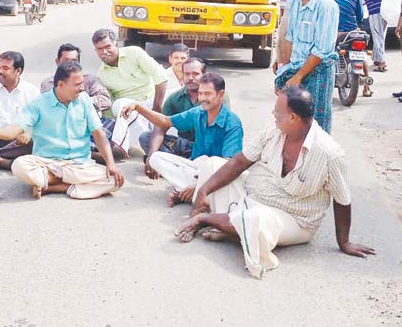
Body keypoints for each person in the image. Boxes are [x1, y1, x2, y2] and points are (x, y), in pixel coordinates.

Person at [174, 86, 375, 279]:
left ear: (293, 118)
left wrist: (344, 242)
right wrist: (204, 190)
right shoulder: (274, 131)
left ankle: (208, 220)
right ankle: (236, 230)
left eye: (278, 111)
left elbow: (342, 199)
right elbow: (239, 162)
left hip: (293, 219)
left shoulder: (329, 153)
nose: (273, 113)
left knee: (255, 220)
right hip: (252, 197)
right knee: (212, 165)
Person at [0, 61, 125, 200]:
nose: (82, 88)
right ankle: (61, 181)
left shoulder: (84, 100)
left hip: (79, 164)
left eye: (82, 83)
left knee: (115, 180)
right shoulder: (39, 104)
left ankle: (54, 185)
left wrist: (111, 164)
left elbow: (98, 134)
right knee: (19, 166)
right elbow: (16, 128)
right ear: (61, 84)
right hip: (47, 164)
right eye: (77, 84)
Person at [123, 72, 243, 207]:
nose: (202, 98)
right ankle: (192, 191)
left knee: (213, 169)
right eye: (200, 93)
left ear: (221, 95)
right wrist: (138, 108)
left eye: (207, 94)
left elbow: (229, 166)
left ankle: (191, 191)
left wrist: (201, 184)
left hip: (216, 174)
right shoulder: (199, 112)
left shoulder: (232, 124)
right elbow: (165, 121)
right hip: (196, 168)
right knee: (155, 158)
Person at [274, 0, 339, 133]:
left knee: (316, 126)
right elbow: (290, 39)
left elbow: (321, 50)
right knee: (292, 123)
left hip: (318, 73)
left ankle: (318, 160)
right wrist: (284, 73)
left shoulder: (327, 6)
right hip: (296, 71)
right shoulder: (294, 1)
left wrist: (298, 76)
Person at [92, 28, 168, 158]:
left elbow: (160, 77)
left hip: (154, 102)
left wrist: (157, 107)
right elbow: (110, 109)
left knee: (176, 96)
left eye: (107, 46)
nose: (105, 52)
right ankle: (120, 148)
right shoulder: (101, 75)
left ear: (116, 44)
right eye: (100, 49)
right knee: (120, 104)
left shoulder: (134, 53)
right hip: (131, 113)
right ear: (96, 51)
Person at [138, 57, 232, 159]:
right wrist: (151, 156)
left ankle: (178, 162)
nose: (190, 78)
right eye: (187, 74)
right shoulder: (175, 98)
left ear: (204, 75)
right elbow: (160, 126)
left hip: (210, 146)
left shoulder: (218, 95)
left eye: (195, 74)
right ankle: (180, 162)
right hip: (185, 145)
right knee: (146, 137)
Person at [328, 0, 372, 97]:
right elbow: (360, 14)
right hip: (353, 31)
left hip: (337, 32)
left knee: (326, 54)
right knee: (360, 54)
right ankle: (367, 88)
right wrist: (357, 25)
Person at [40, 43, 111, 115]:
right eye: (66, 61)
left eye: (74, 61)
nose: (70, 65)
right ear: (57, 62)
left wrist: (81, 101)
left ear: (79, 63)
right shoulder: (48, 84)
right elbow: (44, 107)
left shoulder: (89, 80)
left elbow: (105, 100)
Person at [359, 0, 388, 72]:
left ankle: (382, 62)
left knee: (377, 37)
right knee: (380, 36)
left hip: (375, 12)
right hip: (385, 12)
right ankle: (376, 58)